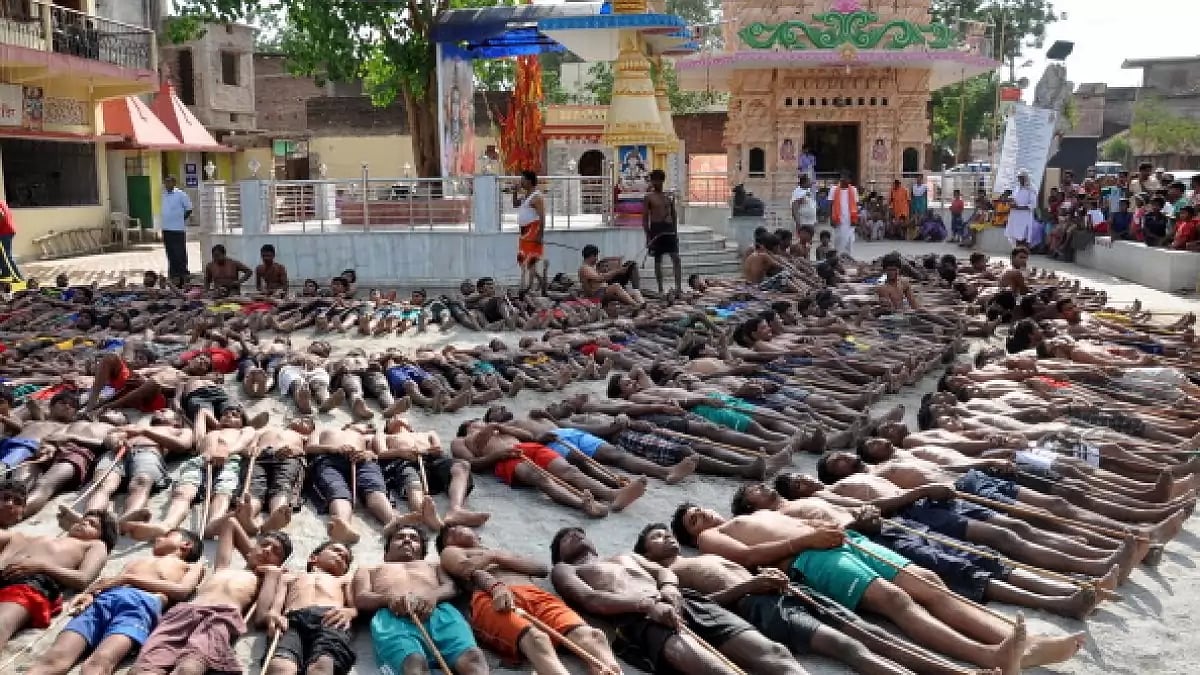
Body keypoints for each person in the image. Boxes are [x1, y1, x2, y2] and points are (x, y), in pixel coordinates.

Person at [674, 504, 1085, 673]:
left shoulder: (761, 511)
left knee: (931, 584)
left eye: (701, 510)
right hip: (809, 558)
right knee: (895, 601)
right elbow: (748, 556)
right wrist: (806, 540)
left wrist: (829, 525)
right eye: (694, 520)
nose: (704, 516)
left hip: (841, 543)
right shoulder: (713, 538)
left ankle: (1020, 644)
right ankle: (986, 654)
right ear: (693, 535)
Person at [550, 526, 805, 674]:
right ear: (559, 554)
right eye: (565, 538)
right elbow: (590, 599)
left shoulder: (626, 555)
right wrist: (647, 605)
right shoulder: (565, 569)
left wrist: (670, 588)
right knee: (717, 671)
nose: (575, 535)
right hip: (641, 618)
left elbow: (663, 572)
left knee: (776, 653)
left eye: (579, 532)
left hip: (684, 601)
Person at [439, 525, 621, 674]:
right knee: (537, 639)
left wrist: (495, 556)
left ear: (477, 535)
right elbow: (467, 569)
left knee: (594, 637)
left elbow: (540, 569)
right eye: (449, 533)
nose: (454, 529)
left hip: (533, 593)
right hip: (489, 598)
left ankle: (610, 671)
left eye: (459, 526)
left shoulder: (499, 552)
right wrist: (496, 587)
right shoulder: (450, 551)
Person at [27, 528, 205, 675]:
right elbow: (110, 583)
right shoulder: (137, 561)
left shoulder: (191, 566)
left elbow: (181, 591)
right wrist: (90, 594)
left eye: (167, 536)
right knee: (54, 658)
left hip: (139, 607)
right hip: (104, 601)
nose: (159, 538)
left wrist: (128, 579)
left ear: (186, 544)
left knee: (99, 662)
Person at [129, 518, 291, 675]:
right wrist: (252, 552)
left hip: (220, 617)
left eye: (275, 552)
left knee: (190, 667)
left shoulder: (262, 581)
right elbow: (230, 523)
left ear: (279, 563)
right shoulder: (222, 567)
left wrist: (272, 575)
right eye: (264, 545)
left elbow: (261, 617)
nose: (267, 550)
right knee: (146, 666)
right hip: (184, 612)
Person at [354, 525, 490, 675]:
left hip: (441, 613)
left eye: (414, 539)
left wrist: (433, 596)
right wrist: (389, 599)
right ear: (386, 551)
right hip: (393, 618)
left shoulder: (434, 566)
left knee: (473, 658)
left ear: (423, 552)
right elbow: (361, 598)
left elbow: (451, 587)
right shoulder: (368, 570)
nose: (407, 540)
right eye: (400, 537)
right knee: (413, 664)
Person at [0, 510, 114, 651]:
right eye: (82, 520)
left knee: (2, 622)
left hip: (31, 583)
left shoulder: (95, 545)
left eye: (93, 524)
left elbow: (83, 578)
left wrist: (42, 566)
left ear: (102, 535)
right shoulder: (38, 538)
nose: (84, 523)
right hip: (5, 574)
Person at [261, 541, 357, 675]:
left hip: (330, 619)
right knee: (280, 665)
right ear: (313, 558)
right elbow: (277, 604)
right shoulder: (289, 577)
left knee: (323, 664)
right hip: (291, 621)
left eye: (346, 559)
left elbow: (353, 608)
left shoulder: (344, 580)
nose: (341, 555)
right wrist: (274, 614)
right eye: (335, 550)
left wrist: (349, 612)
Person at [644, 169, 681, 297]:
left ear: (662, 181)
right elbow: (645, 218)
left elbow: (674, 215)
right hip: (656, 228)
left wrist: (675, 232)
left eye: (658, 180)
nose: (656, 183)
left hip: (668, 229)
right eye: (654, 180)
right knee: (658, 259)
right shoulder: (648, 197)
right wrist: (648, 236)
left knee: (676, 258)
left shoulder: (668, 197)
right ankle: (660, 288)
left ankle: (678, 288)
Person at [515, 169, 547, 294]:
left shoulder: (537, 197)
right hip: (524, 232)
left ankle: (529, 288)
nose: (521, 182)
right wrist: (515, 192)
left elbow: (542, 217)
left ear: (529, 181)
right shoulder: (526, 196)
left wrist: (540, 235)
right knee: (523, 260)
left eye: (523, 179)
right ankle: (540, 282)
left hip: (533, 230)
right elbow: (515, 204)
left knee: (531, 260)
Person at [161, 176, 193, 287]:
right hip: (166, 229)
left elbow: (189, 209)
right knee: (170, 253)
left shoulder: (181, 194)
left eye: (169, 182)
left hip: (178, 229)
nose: (167, 184)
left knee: (179, 253)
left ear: (174, 183)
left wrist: (180, 219)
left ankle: (183, 275)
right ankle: (173, 275)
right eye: (165, 182)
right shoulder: (164, 195)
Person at [1007, 171, 1037, 246]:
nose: (1020, 180)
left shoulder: (1031, 189)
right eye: (1019, 178)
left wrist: (1019, 207)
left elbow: (1033, 205)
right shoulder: (1017, 188)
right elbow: (1013, 198)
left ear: (1026, 178)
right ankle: (1016, 249)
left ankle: (1023, 250)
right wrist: (1011, 201)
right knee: (1015, 235)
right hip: (1015, 216)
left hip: (1024, 216)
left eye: (1022, 178)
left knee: (1024, 235)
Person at [791, 174, 818, 239]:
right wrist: (798, 223)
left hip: (811, 222)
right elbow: (794, 208)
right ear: (804, 182)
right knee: (803, 239)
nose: (811, 182)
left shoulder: (808, 190)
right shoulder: (797, 192)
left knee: (809, 240)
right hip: (803, 222)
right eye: (809, 181)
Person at [0, 197, 19, 279]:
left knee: (6, 256)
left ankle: (19, 278)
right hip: (8, 230)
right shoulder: (1, 202)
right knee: (2, 255)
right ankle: (6, 274)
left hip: (4, 232)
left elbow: (1, 214)